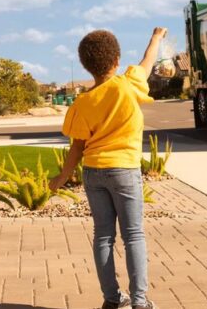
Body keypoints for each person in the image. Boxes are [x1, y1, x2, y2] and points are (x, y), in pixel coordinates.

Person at [50, 27, 167, 309]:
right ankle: (139, 301)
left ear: (86, 65)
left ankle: (112, 299)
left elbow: (77, 147)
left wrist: (62, 177)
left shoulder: (81, 103)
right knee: (133, 235)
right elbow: (146, 63)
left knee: (103, 235)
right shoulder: (128, 85)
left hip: (94, 172)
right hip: (124, 170)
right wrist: (156, 38)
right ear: (116, 60)